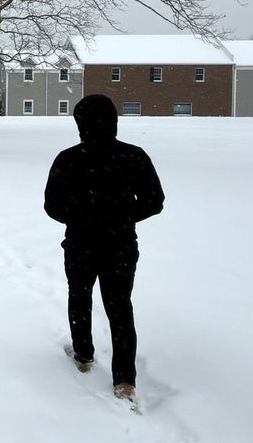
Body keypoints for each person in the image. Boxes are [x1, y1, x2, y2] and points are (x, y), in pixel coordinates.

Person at [43, 94, 164, 402]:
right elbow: (154, 201)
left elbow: (52, 205)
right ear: (114, 121)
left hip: (81, 243)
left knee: (79, 297)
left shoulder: (68, 159)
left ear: (79, 124)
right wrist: (123, 217)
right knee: (120, 307)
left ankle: (83, 355)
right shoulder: (133, 156)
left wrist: (80, 217)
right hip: (120, 244)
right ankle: (124, 380)